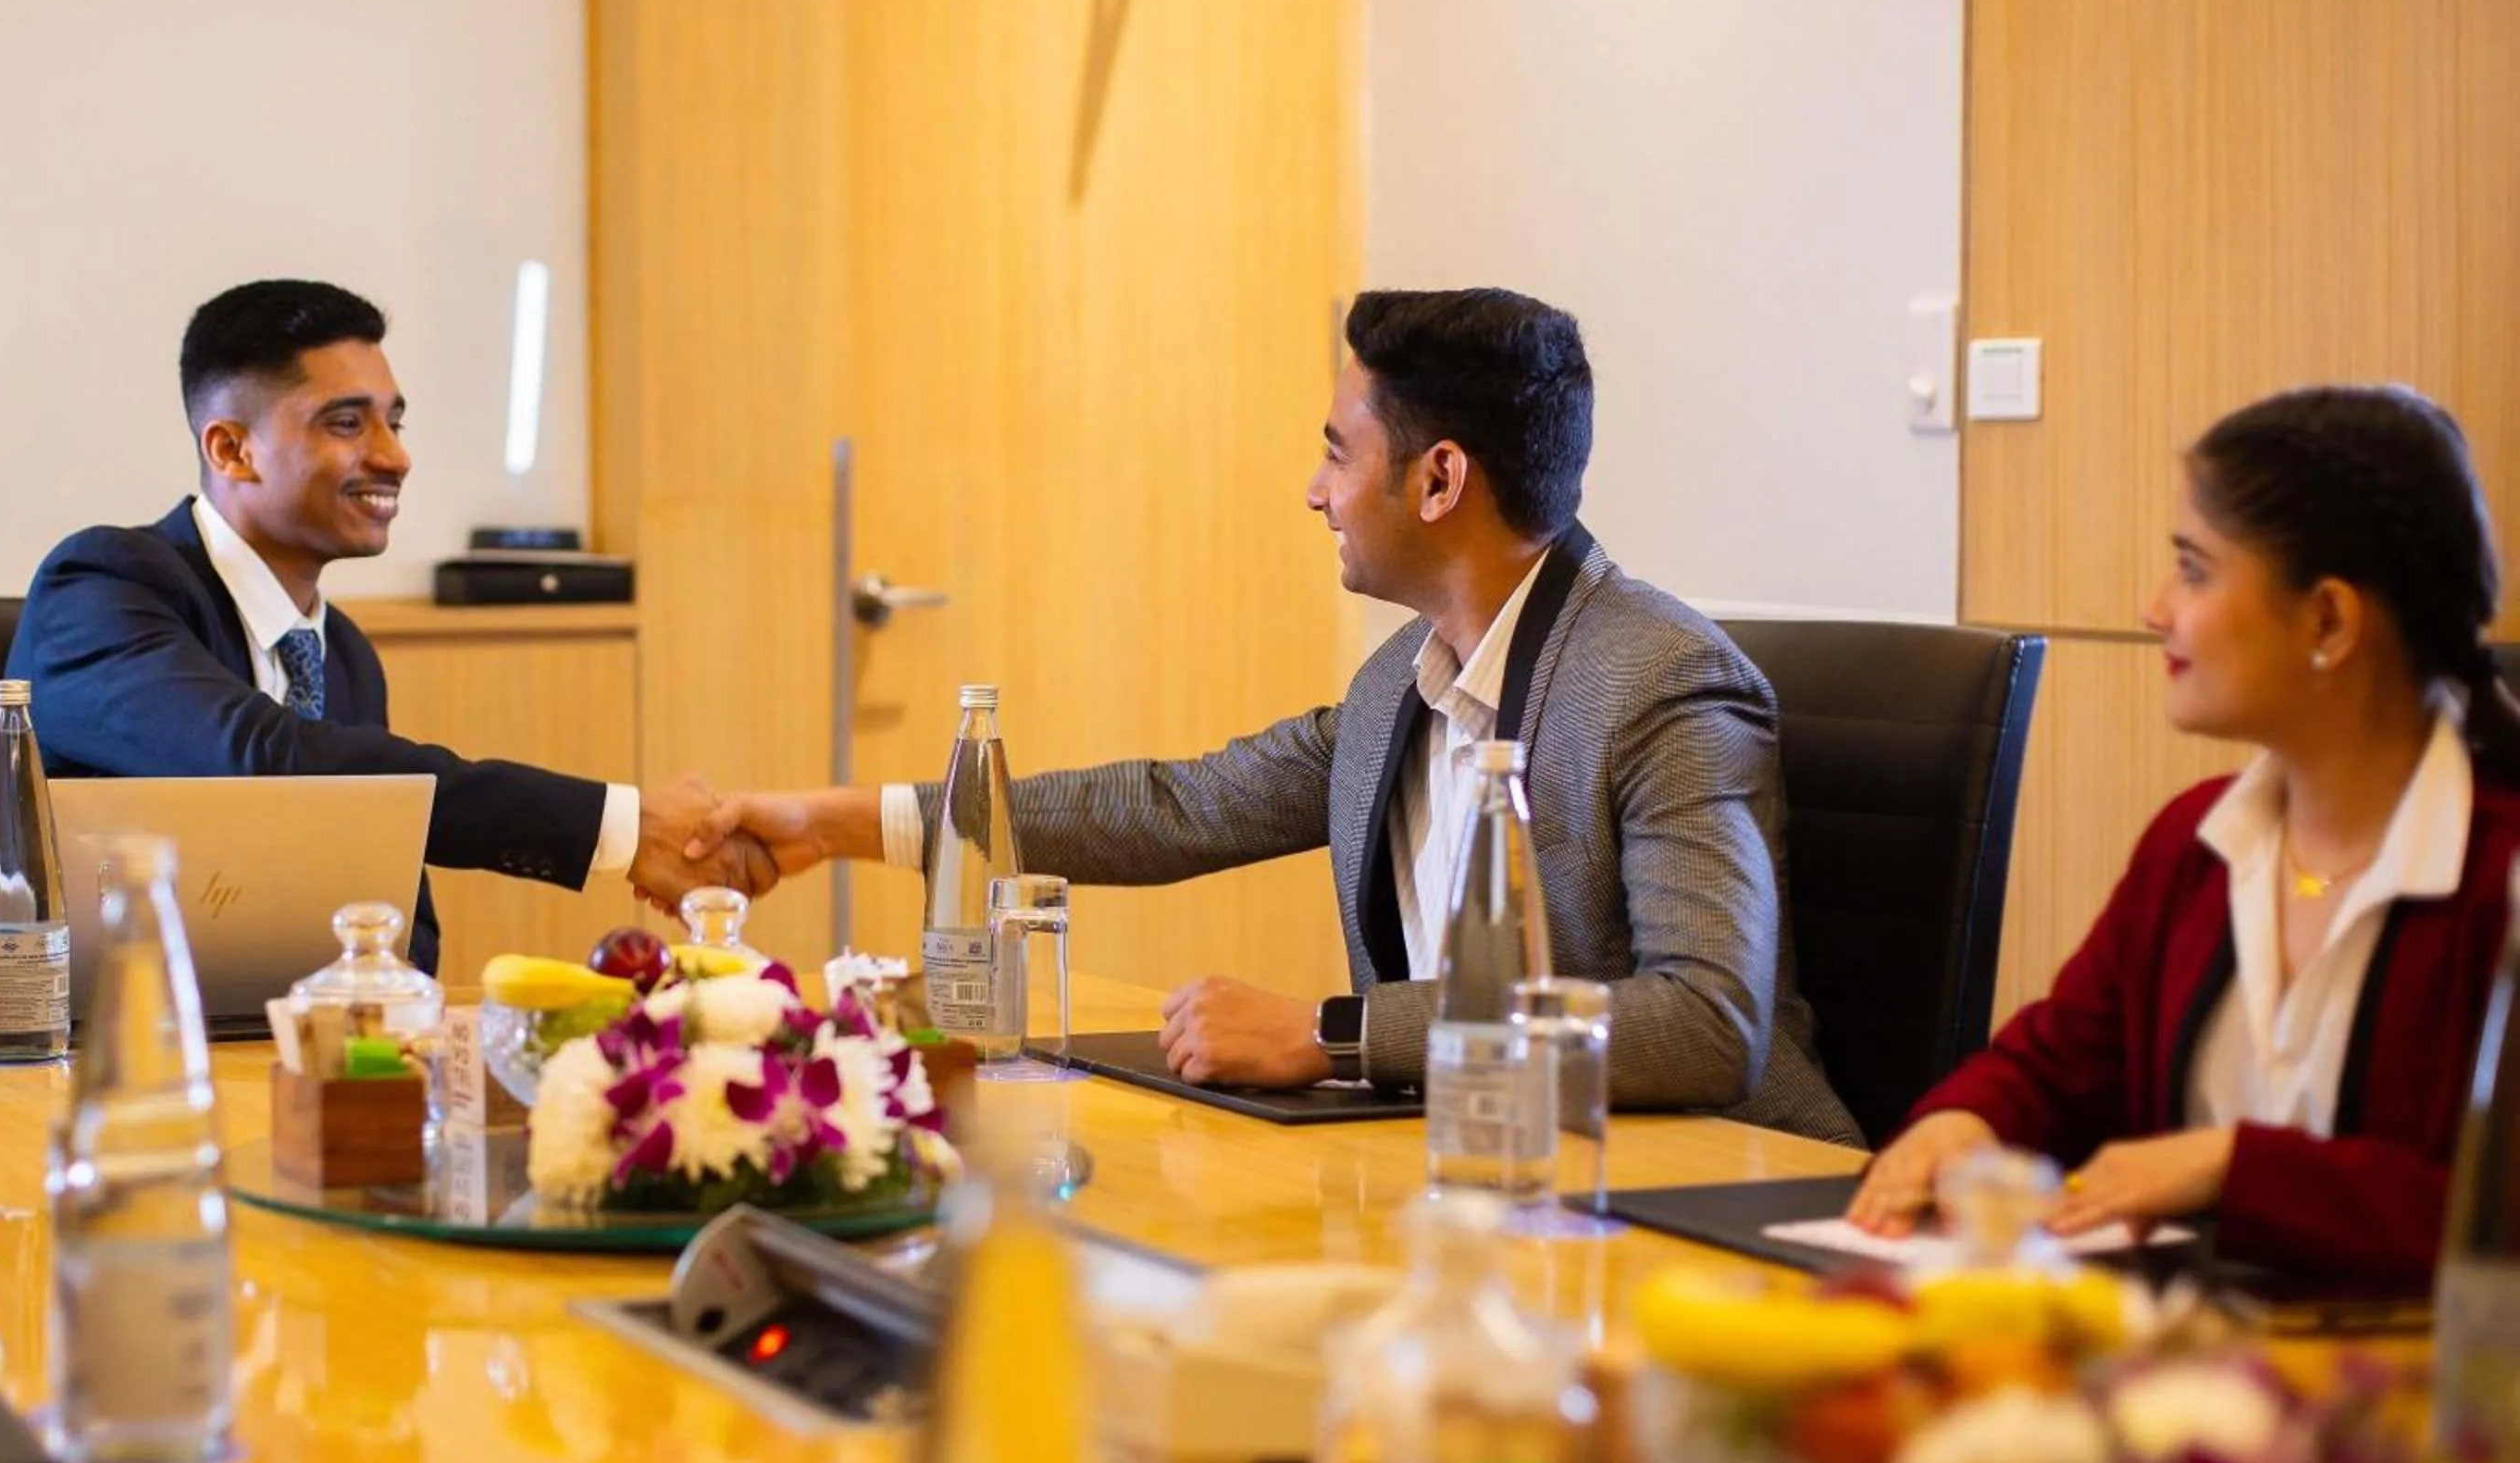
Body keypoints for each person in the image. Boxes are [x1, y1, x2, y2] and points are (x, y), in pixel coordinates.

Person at [689, 288, 1857, 1141]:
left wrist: (1334, 1033)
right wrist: (839, 823)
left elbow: (1703, 1024)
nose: (1315, 492)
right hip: (1486, 1181)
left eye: (1337, 454)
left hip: (1715, 1207)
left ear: (1439, 480)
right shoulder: (1406, 677)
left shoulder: (1657, 682)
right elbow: (1177, 808)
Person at [1850, 384, 2520, 1287]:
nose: (2153, 607)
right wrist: (1965, 1123)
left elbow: (2494, 1225)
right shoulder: (2194, 845)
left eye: (2195, 571)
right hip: (2204, 1379)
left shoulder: (2499, 876)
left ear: (2328, 621)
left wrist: (2235, 1168)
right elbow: (2054, 1068)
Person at [0, 279, 764, 986]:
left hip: (252, 1047)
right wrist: (615, 826)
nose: (394, 457)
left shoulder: (346, 655)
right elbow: (266, 766)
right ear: (232, 449)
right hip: (27, 1048)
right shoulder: (105, 586)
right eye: (346, 423)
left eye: (395, 421)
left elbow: (404, 921)